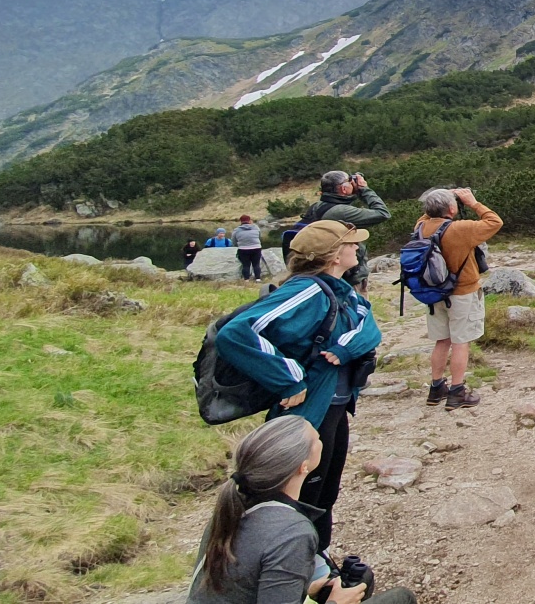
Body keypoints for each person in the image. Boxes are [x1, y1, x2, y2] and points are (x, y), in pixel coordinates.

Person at [213, 220, 382, 554]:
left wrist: (346, 349)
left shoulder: (341, 290)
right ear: (334, 255)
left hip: (334, 404)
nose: (356, 249)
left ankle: (316, 562)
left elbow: (369, 325)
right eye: (351, 244)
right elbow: (235, 333)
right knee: (297, 493)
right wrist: (288, 378)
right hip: (307, 410)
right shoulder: (307, 290)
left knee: (324, 491)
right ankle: (286, 563)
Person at [187, 416, 417, 604]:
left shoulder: (233, 506)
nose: (319, 434)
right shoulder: (292, 532)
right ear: (303, 466)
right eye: (315, 437)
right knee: (401, 598)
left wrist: (306, 592)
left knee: (358, 585)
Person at [413, 187, 502, 410]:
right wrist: (472, 202)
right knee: (460, 341)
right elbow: (494, 221)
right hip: (462, 292)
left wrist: (438, 199)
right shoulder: (461, 229)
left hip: (434, 293)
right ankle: (457, 391)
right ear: (452, 209)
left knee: (441, 341)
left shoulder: (421, 226)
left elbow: (427, 214)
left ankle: (436, 388)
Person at [300, 172, 391, 292]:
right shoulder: (341, 211)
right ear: (343, 188)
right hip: (349, 278)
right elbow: (383, 213)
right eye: (350, 181)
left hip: (328, 273)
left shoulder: (317, 206)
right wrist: (364, 190)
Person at [234, 215, 265, 282]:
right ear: (249, 220)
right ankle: (258, 279)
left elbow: (234, 240)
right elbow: (259, 237)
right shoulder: (256, 228)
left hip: (243, 249)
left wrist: (238, 245)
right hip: (256, 248)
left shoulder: (237, 230)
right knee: (256, 264)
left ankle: (246, 280)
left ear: (241, 221)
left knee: (246, 265)